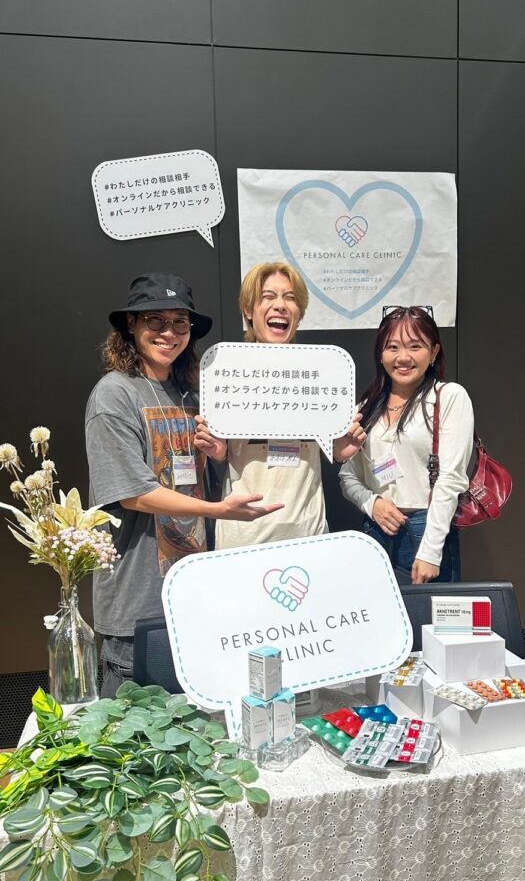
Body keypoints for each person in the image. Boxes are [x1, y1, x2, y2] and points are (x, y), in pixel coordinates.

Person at [85, 272, 283, 695]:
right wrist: (219, 511)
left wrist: (217, 456)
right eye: (155, 320)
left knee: (193, 723)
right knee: (132, 727)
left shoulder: (192, 394)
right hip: (136, 609)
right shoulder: (114, 395)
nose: (169, 333)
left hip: (194, 597)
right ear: (131, 326)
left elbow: (199, 482)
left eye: (180, 322)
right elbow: (134, 494)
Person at [194, 261, 365, 549]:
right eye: (268, 297)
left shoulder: (321, 373)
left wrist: (340, 450)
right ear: (248, 310)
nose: (280, 306)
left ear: (299, 313)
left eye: (290, 298)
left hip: (307, 533)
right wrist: (218, 453)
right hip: (244, 535)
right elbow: (221, 453)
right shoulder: (226, 372)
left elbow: (335, 448)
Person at [339, 305, 474, 584]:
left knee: (427, 612)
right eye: (393, 347)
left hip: (426, 532)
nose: (403, 357)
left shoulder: (448, 398)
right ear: (381, 354)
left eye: (415, 346)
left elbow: (451, 479)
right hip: (375, 533)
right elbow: (347, 475)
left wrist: (431, 551)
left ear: (433, 352)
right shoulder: (366, 407)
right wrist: (372, 503)